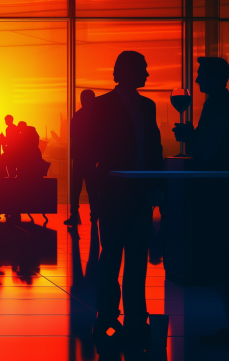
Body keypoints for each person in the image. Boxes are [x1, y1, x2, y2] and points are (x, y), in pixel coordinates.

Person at [86, 51, 163, 348]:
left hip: (139, 191)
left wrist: (156, 184)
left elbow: (153, 147)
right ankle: (110, 313)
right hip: (117, 190)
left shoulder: (148, 106)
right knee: (113, 255)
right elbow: (95, 146)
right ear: (126, 72)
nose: (147, 74)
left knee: (132, 258)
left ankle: (131, 314)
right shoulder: (103, 106)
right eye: (143, 68)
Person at [172, 57, 229, 346]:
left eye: (200, 75)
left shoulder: (218, 105)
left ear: (213, 77)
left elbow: (206, 152)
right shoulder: (223, 103)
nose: (196, 81)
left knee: (222, 259)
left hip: (220, 193)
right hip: (224, 191)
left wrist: (189, 136)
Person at [65, 89, 98, 227]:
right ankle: (95, 215)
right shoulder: (97, 117)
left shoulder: (77, 116)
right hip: (90, 157)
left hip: (79, 157)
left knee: (76, 188)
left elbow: (73, 135)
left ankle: (74, 215)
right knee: (92, 188)